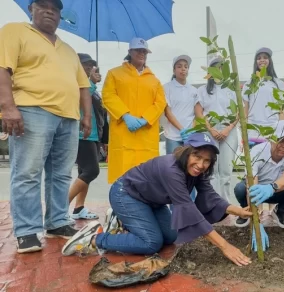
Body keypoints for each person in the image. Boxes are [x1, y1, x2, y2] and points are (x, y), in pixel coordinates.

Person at [62, 133, 253, 267]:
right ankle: (95, 238)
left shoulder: (196, 171)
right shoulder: (172, 169)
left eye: (207, 160)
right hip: (126, 194)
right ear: (187, 151)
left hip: (152, 201)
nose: (201, 164)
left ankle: (123, 221)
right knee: (151, 243)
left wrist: (239, 211)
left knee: (170, 237)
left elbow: (210, 196)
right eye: (197, 156)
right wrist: (225, 246)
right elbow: (188, 209)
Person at [0, 0, 92, 253]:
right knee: (28, 172)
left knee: (61, 174)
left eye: (56, 7)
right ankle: (27, 230)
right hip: (32, 110)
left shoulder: (68, 49)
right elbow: (2, 70)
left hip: (68, 117)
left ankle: (58, 222)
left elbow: (83, 86)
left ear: (61, 15)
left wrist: (87, 117)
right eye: (43, 5)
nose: (50, 10)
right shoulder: (15, 31)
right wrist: (7, 107)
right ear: (31, 9)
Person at [102, 38, 166, 183]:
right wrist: (125, 115)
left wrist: (145, 119)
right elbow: (108, 95)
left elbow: (160, 102)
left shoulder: (154, 80)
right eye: (138, 50)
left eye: (144, 51)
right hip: (124, 133)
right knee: (122, 177)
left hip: (146, 137)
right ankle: (119, 205)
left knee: (146, 177)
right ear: (130, 52)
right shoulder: (114, 74)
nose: (141, 54)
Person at [234, 121, 284, 229]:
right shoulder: (257, 151)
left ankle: (280, 211)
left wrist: (271, 188)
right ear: (271, 139)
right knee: (240, 188)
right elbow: (252, 183)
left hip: (278, 192)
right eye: (281, 140)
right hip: (257, 191)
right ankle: (247, 212)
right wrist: (256, 221)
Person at [195, 56, 239, 202]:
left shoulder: (232, 88)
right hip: (210, 130)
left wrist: (229, 128)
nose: (219, 70)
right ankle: (212, 203)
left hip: (229, 130)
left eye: (221, 67)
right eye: (215, 67)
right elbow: (199, 112)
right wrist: (211, 129)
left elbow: (240, 111)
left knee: (226, 170)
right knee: (211, 170)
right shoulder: (202, 90)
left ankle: (225, 204)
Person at [68, 53, 106, 220]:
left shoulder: (91, 87)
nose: (89, 67)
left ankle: (79, 208)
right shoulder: (72, 82)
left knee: (84, 172)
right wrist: (91, 83)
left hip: (94, 135)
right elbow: (77, 100)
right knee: (92, 171)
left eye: (91, 65)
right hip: (81, 134)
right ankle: (60, 208)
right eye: (85, 65)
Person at [163, 55, 198, 201]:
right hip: (173, 136)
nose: (183, 69)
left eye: (185, 66)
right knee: (174, 172)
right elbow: (167, 111)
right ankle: (175, 207)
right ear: (174, 69)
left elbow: (197, 114)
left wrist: (191, 131)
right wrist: (181, 129)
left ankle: (191, 205)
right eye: (179, 66)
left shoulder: (193, 90)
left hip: (190, 138)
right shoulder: (167, 88)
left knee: (191, 171)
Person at [242, 47, 284, 143]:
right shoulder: (248, 84)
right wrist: (244, 131)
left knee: (271, 157)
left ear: (270, 61)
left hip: (273, 129)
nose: (262, 60)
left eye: (265, 57)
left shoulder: (279, 84)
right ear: (255, 62)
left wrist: (281, 130)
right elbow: (245, 111)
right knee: (254, 157)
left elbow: (281, 111)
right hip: (253, 129)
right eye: (259, 58)